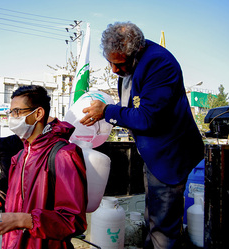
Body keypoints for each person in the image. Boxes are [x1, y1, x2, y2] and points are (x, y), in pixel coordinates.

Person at [80, 22, 204, 249]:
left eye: (119, 64)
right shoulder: (131, 64)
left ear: (136, 51)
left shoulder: (158, 64)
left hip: (169, 155)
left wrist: (107, 111)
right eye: (110, 63)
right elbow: (134, 104)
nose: (114, 70)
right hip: (153, 154)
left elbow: (148, 117)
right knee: (153, 217)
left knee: (163, 227)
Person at [0, 85, 88, 249]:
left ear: (38, 113)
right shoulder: (18, 158)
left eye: (17, 112)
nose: (12, 118)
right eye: (10, 113)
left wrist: (24, 220)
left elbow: (73, 220)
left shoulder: (63, 155)